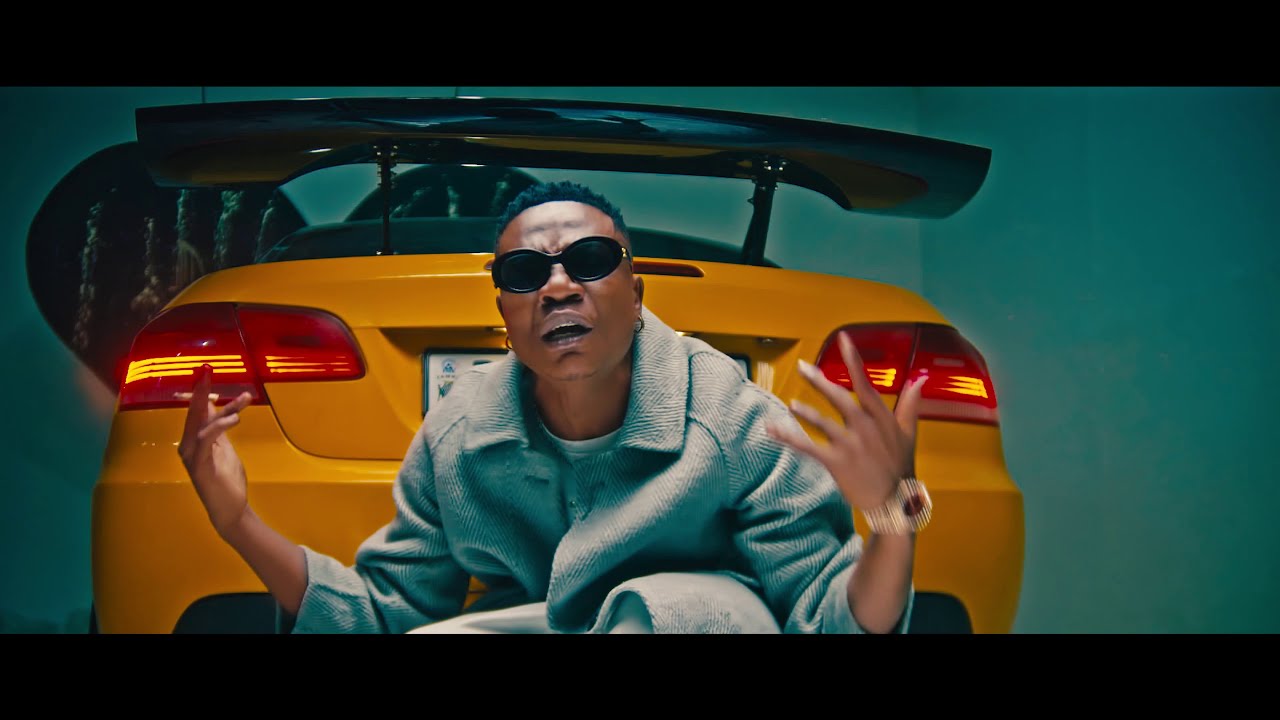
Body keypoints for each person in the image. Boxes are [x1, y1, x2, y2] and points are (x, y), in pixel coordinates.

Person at [177, 181, 929, 634]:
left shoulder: (735, 420)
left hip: (704, 619)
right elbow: (385, 613)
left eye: (591, 261)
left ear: (637, 294)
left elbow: (829, 619)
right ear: (504, 314)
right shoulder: (459, 435)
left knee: (658, 613)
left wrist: (896, 512)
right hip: (543, 619)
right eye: (525, 272)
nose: (559, 287)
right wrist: (236, 521)